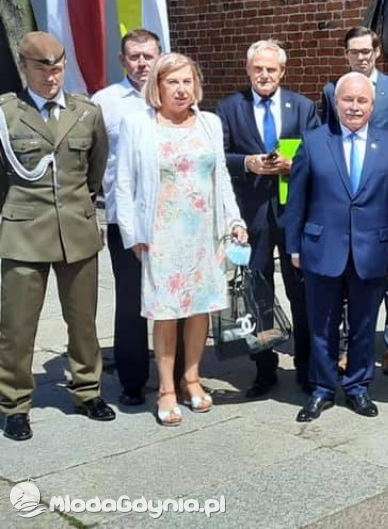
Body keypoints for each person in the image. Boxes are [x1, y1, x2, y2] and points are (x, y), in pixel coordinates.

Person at [114, 53, 248, 426]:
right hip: (160, 234)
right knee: (166, 312)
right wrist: (132, 234)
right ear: (156, 86)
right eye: (172, 81)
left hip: (205, 232)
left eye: (187, 81)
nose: (181, 89)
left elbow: (220, 175)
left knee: (200, 307)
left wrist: (234, 220)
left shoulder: (209, 123)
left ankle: (192, 378)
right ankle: (166, 389)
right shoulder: (138, 125)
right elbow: (122, 183)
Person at [0, 32, 113, 442]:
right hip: (24, 232)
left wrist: (79, 207)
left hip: (77, 231)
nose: (51, 77)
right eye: (41, 69)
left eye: (57, 68)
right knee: (17, 326)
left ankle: (87, 391)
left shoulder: (86, 112)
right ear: (24, 67)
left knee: (83, 321)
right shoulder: (7, 114)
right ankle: (15, 404)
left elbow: (94, 171)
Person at [285, 73, 388, 422]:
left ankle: (357, 386)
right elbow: (297, 200)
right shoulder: (313, 143)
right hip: (321, 249)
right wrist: (294, 245)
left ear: (373, 106)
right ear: (335, 102)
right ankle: (323, 388)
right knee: (321, 325)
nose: (354, 107)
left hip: (372, 252)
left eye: (362, 101)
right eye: (348, 100)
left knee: (363, 323)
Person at [217, 40, 319, 397]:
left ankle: (308, 368)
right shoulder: (229, 108)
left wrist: (296, 164)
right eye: (258, 69)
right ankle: (264, 368)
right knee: (258, 294)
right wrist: (247, 163)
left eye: (271, 69)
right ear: (248, 70)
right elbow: (218, 156)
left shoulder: (302, 107)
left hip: (294, 216)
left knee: (302, 294)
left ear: (282, 72)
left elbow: (319, 152)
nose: (264, 75)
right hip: (253, 216)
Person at [323, 26, 388, 375]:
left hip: (387, 194)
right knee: (352, 270)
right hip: (350, 196)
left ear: (377, 52)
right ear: (346, 55)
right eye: (354, 52)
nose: (361, 57)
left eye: (367, 51)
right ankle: (350, 344)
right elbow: (330, 140)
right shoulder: (334, 91)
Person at [92, 28, 162, 407]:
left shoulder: (172, 95)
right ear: (122, 60)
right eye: (134, 56)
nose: (141, 63)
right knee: (132, 302)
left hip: (170, 217)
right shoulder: (104, 103)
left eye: (148, 56)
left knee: (171, 301)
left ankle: (177, 374)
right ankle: (133, 380)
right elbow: (92, 159)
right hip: (126, 221)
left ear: (158, 56)